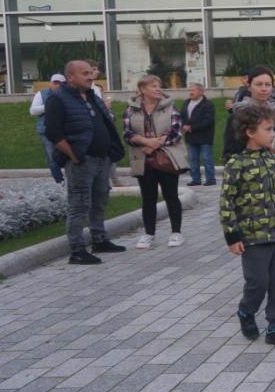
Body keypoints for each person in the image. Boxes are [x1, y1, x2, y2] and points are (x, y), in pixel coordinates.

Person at [219, 104, 275, 348]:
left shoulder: (274, 160)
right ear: (250, 132)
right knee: (258, 282)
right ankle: (246, 311)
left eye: (273, 128)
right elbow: (227, 201)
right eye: (268, 129)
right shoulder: (237, 163)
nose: (273, 133)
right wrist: (232, 236)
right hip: (252, 237)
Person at [45, 60, 127, 265]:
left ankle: (99, 240)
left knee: (99, 202)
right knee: (79, 205)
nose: (91, 77)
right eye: (85, 73)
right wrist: (74, 157)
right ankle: (77, 250)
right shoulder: (58, 99)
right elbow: (54, 133)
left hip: (102, 160)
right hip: (81, 162)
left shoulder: (92, 96)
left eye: (91, 73)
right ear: (70, 77)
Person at [123, 75, 188, 249]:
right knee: (148, 199)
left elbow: (175, 133)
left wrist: (153, 145)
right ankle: (149, 234)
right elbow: (127, 134)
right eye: (153, 86)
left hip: (167, 159)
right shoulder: (131, 109)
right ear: (142, 89)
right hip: (143, 161)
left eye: (159, 85)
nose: (158, 89)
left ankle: (176, 233)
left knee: (171, 196)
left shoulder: (170, 107)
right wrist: (146, 142)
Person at [222, 66, 275, 194]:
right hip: (251, 183)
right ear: (249, 86)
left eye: (268, 84)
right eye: (258, 84)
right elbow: (229, 153)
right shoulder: (238, 116)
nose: (264, 88)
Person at [30, 74, 66, 183]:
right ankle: (59, 179)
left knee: (68, 154)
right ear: (50, 83)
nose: (58, 85)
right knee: (51, 156)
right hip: (45, 130)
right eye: (55, 83)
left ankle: (71, 177)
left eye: (61, 83)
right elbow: (33, 110)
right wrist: (50, 107)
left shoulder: (68, 94)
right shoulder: (41, 94)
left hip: (64, 129)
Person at [180, 82, 216, 186]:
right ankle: (196, 179)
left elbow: (208, 120)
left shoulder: (208, 104)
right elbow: (181, 116)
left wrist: (192, 127)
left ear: (201, 92)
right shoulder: (186, 102)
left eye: (193, 90)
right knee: (192, 159)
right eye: (190, 90)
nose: (191, 92)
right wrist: (183, 125)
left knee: (206, 158)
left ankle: (210, 179)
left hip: (205, 136)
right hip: (190, 136)